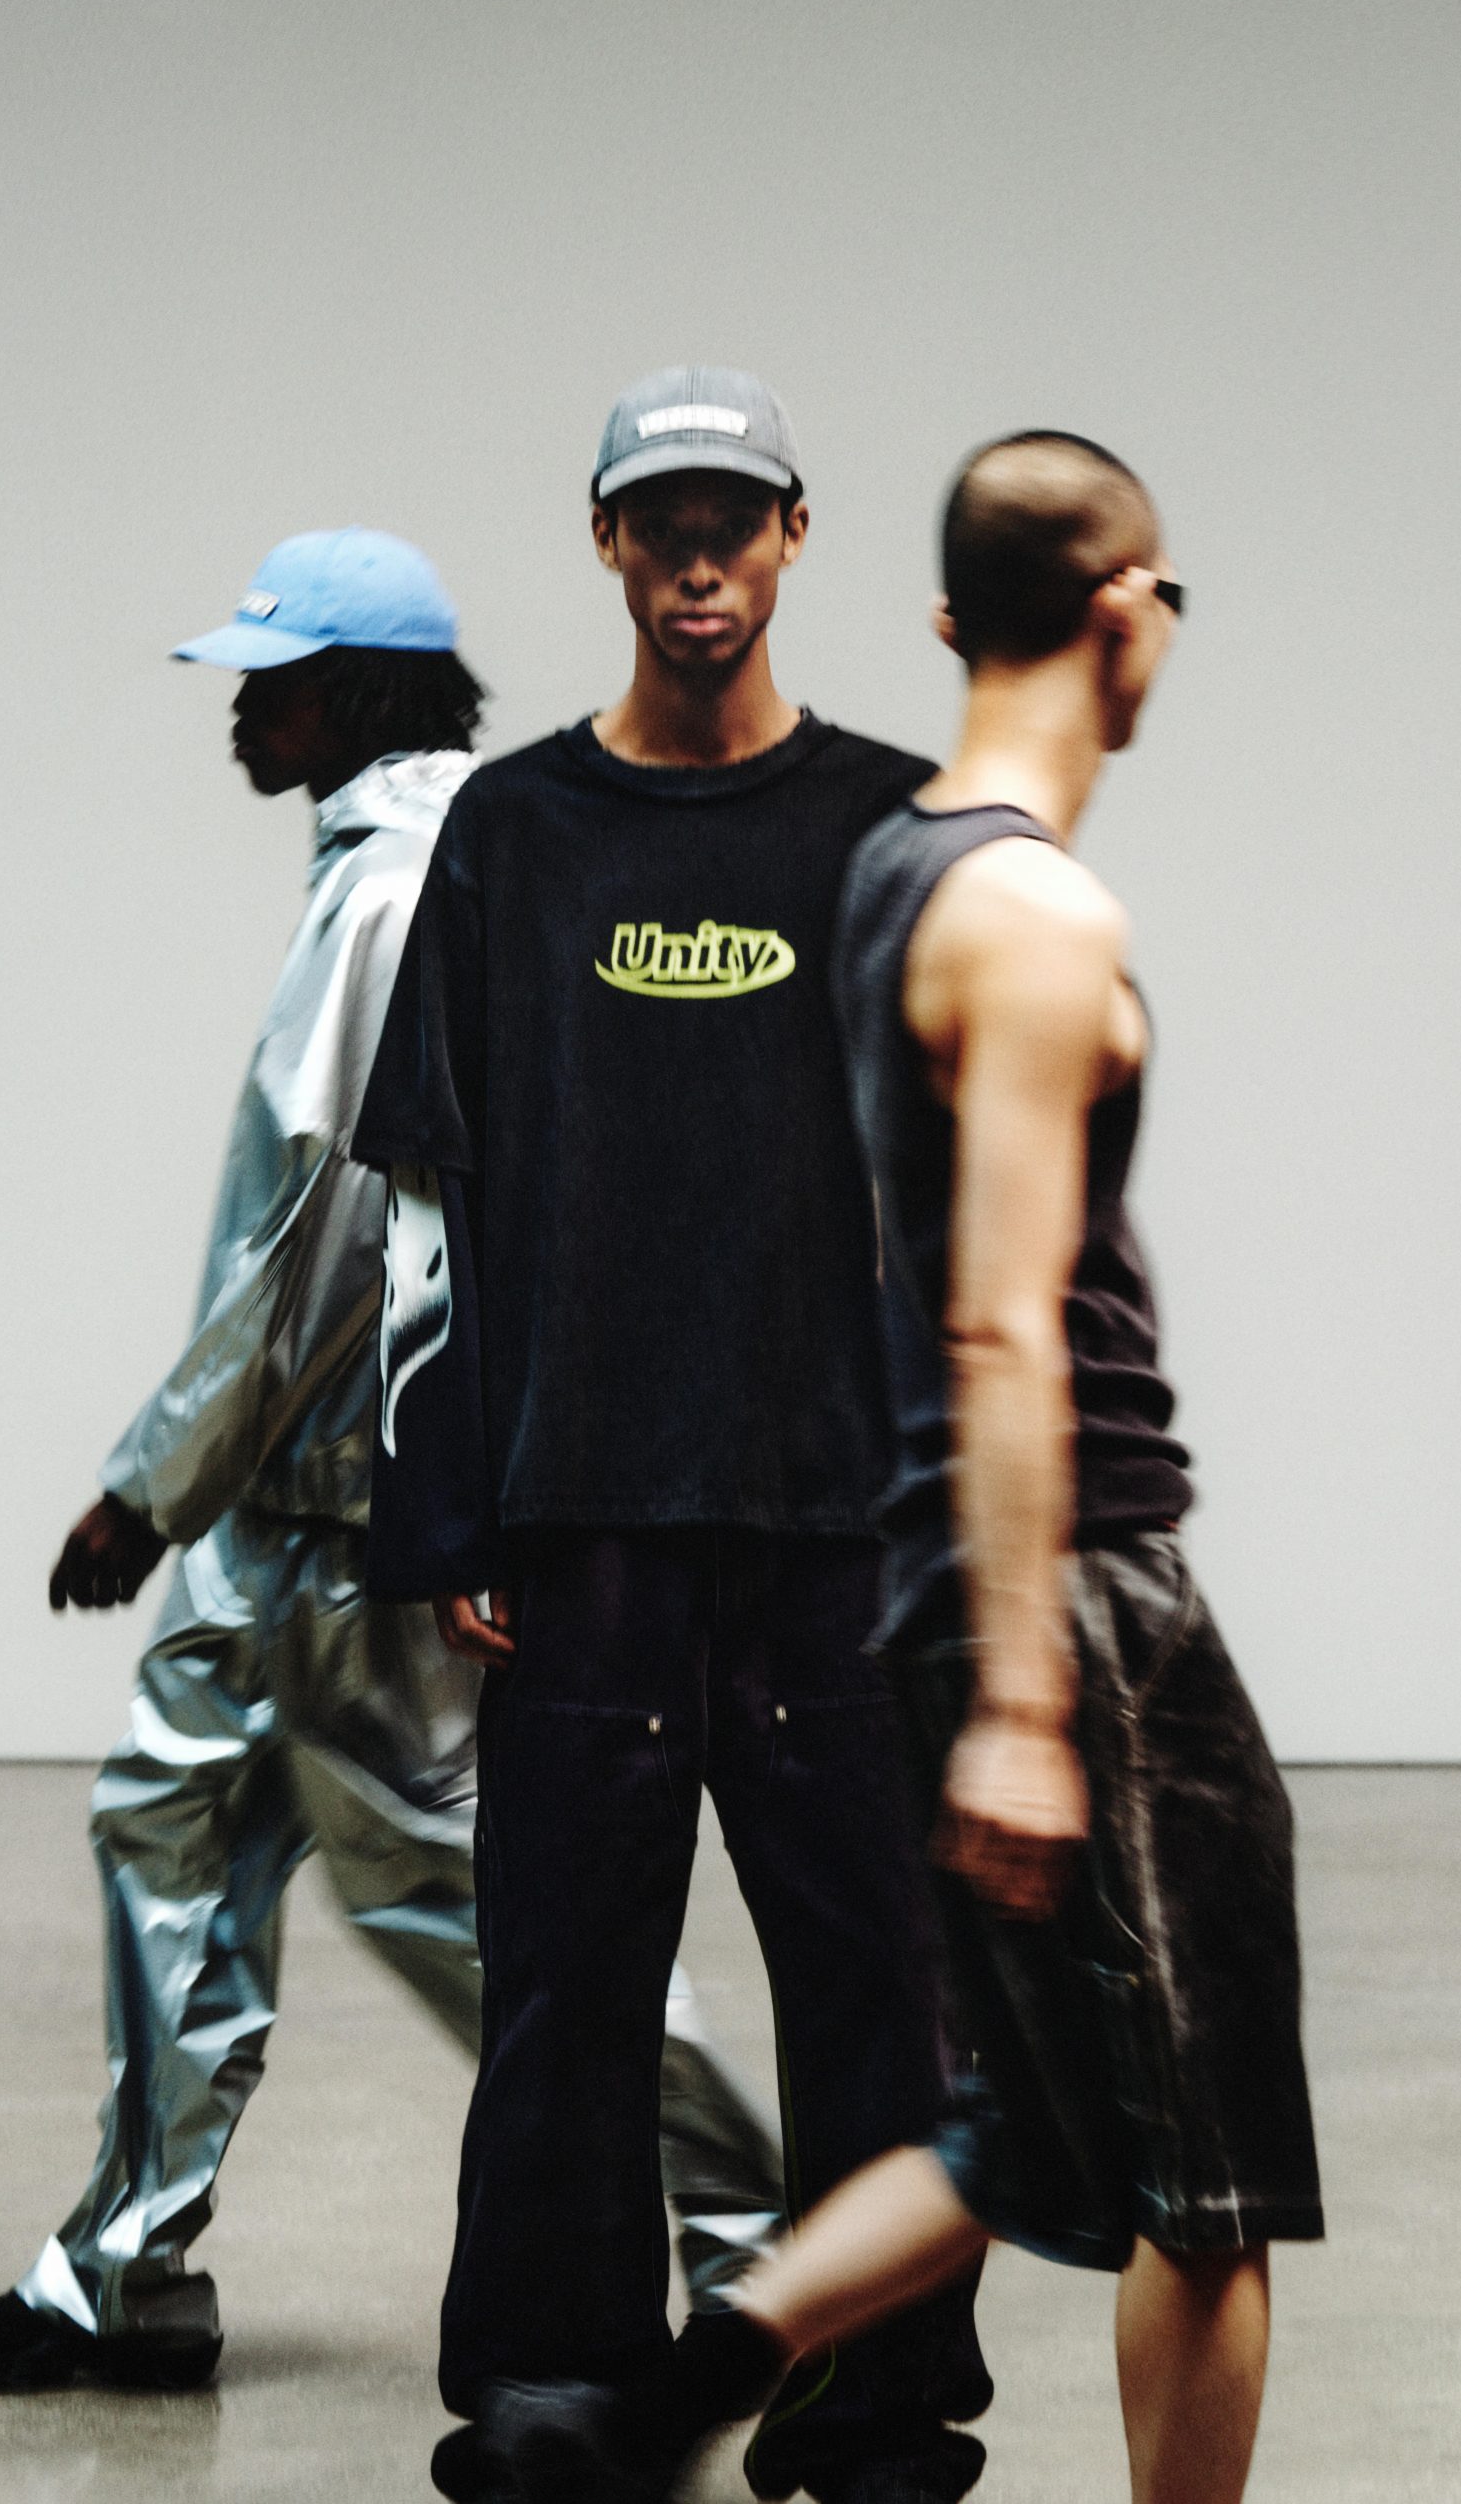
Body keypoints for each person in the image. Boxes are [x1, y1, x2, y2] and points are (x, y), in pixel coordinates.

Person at [481, 433, 1323, 2504]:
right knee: (1209, 2181)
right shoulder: (1033, 911)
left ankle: (659, 2407)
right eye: (1170, 598)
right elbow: (1000, 1319)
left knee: (1007, 2127)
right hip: (1082, 1581)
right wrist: (1028, 1701)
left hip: (934, 1566)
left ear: (950, 619)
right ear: (1121, 611)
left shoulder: (893, 863)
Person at [0, 527, 785, 2398]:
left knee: (483, 1919)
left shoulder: (404, 889)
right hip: (279, 1514)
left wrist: (150, 1483)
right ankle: (122, 2278)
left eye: (272, 680)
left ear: (362, 690)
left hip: (349, 1514)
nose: (240, 711)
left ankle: (773, 2262)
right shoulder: (406, 863)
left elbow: (333, 1231)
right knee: (169, 1835)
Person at [351, 372, 991, 2504]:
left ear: (796, 534)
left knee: (881, 1997)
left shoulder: (895, 828)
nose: (699, 559)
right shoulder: (514, 835)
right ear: (607, 541)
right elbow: (432, 1196)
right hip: (585, 1523)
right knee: (563, 1993)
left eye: (736, 519)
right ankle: (549, 2388)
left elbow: (978, 1205)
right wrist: (451, 1497)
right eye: (662, 522)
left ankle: (878, 2410)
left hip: (837, 1528)